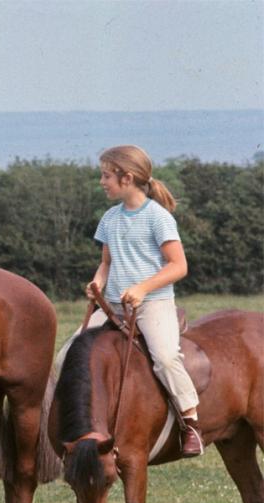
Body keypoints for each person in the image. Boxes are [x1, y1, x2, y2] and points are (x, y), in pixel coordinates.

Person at [85, 145, 203, 456]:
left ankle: (190, 421)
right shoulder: (110, 218)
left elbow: (178, 266)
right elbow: (107, 263)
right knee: (70, 353)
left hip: (152, 304)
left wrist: (142, 288)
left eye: (106, 175)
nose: (101, 181)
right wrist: (97, 283)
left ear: (127, 178)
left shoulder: (157, 217)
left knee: (164, 357)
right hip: (112, 307)